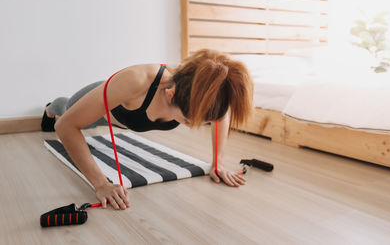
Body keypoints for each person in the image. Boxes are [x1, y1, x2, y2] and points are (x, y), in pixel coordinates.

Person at [41, 49, 254, 210]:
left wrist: (218, 162)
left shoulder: (200, 90)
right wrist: (101, 184)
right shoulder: (137, 81)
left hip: (121, 117)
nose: (192, 126)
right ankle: (50, 108)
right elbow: (66, 126)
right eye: (188, 120)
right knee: (65, 109)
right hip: (103, 108)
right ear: (170, 94)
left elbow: (220, 115)